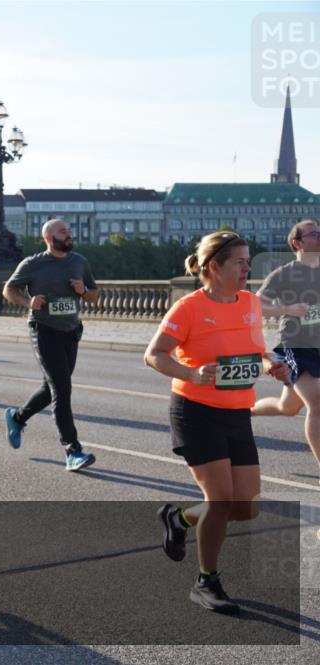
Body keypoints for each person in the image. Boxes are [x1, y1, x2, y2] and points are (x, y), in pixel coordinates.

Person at [145, 231, 290, 614]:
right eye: (240, 262)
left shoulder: (251, 303)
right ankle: (206, 581)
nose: (247, 269)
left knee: (245, 508)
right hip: (196, 412)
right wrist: (191, 374)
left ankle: (179, 518)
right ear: (214, 267)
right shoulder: (189, 307)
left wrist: (271, 364)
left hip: (237, 413)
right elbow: (154, 355)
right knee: (221, 500)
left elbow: (256, 352)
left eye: (248, 261)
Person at [2, 218, 100, 471]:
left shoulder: (79, 262)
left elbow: (94, 295)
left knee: (51, 388)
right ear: (48, 238)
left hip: (71, 332)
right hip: (44, 331)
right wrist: (29, 302)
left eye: (69, 231)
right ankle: (72, 450)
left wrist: (82, 290)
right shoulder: (33, 264)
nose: (68, 234)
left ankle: (18, 417)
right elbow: (9, 290)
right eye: (63, 231)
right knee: (62, 390)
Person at [251, 219, 320, 484]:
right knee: (317, 403)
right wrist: (287, 310)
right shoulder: (284, 274)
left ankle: (246, 411)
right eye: (314, 234)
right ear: (297, 243)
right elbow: (256, 306)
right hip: (296, 345)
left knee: (287, 407)